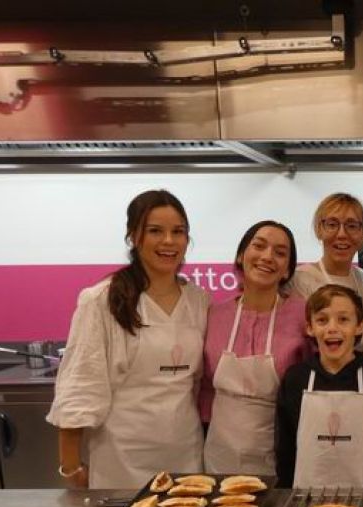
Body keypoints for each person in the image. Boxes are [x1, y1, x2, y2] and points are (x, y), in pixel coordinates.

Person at [48, 189, 209, 488]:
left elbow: (197, 384)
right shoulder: (101, 300)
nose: (169, 241)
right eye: (155, 231)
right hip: (122, 461)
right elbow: (80, 384)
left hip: (186, 456)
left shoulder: (198, 300)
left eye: (178, 232)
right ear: (134, 237)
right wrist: (70, 467)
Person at [200, 221, 313, 476]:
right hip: (219, 452)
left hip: (279, 453)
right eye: (259, 246)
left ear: (286, 271)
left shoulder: (303, 314)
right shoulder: (215, 314)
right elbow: (205, 389)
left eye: (280, 253)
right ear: (241, 256)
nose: (267, 257)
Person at [275, 284, 363, 488]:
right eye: (322, 320)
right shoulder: (296, 379)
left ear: (360, 326)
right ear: (310, 327)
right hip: (303, 498)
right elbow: (285, 447)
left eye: (343, 319)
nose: (332, 328)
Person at [289, 192, 363, 357]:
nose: (341, 234)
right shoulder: (299, 280)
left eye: (352, 226)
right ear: (319, 230)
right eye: (332, 225)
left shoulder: (362, 278)